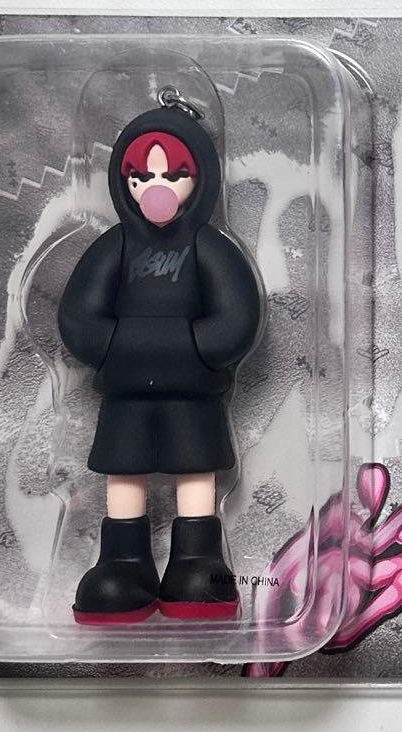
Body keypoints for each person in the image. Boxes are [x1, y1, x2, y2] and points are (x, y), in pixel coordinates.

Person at [59, 97, 262, 624]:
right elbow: (78, 315)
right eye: (143, 176)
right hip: (126, 393)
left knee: (194, 468)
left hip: (192, 392)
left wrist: (196, 346)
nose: (157, 187)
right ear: (123, 180)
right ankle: (123, 563)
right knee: (124, 470)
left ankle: (198, 562)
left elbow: (238, 315)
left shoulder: (209, 247)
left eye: (173, 175)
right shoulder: (114, 246)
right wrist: (113, 344)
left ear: (199, 179)